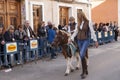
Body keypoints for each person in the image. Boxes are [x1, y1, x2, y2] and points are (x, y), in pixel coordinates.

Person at [69, 11, 98, 79]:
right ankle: (85, 70)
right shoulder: (78, 24)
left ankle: (84, 72)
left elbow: (92, 31)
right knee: (82, 55)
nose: (78, 18)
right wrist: (71, 38)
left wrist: (95, 40)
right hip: (79, 40)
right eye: (78, 17)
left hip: (85, 40)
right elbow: (76, 31)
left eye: (79, 16)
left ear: (82, 16)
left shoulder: (88, 22)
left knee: (82, 54)